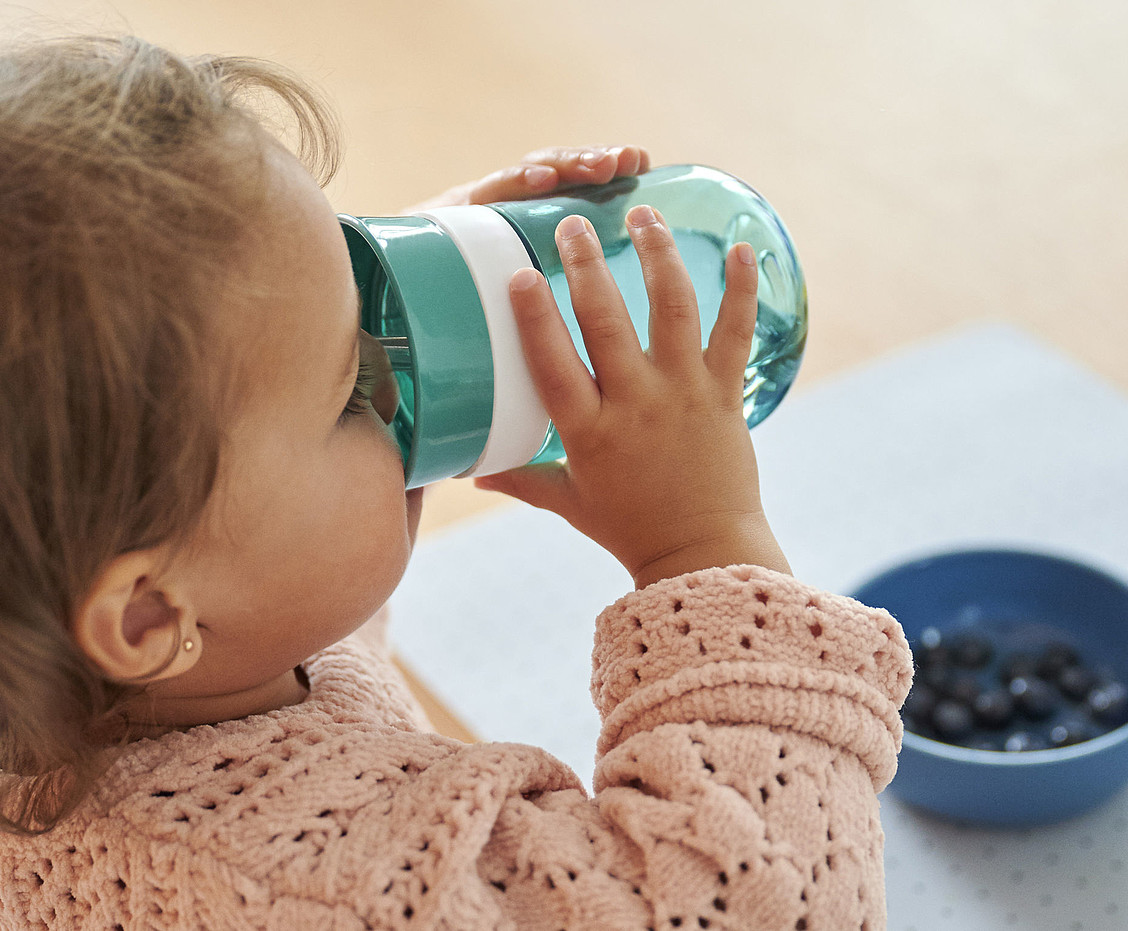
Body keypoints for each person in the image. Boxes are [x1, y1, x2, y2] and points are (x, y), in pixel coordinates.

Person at [0, 33, 912, 930]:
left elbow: (271, 542)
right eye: (353, 386)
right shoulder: (342, 884)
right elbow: (763, 903)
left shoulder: (85, 655)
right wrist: (702, 541)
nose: (400, 371)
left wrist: (422, 276)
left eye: (366, 267)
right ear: (149, 618)